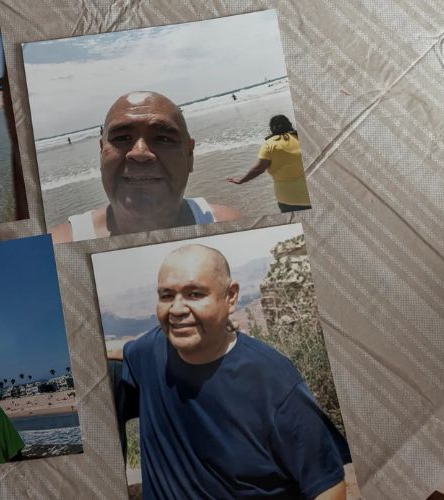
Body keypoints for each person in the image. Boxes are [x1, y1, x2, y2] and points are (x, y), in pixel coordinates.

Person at [116, 244, 350, 499]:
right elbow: (118, 350)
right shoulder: (151, 351)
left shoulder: (273, 382)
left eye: (195, 294)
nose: (177, 309)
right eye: (166, 296)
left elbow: (330, 487)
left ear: (230, 297)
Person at [51, 92, 241, 243]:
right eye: (122, 138)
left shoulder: (230, 227)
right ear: (101, 152)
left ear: (189, 154)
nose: (140, 153)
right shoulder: (62, 245)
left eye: (163, 138)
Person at [227, 115, 312, 213]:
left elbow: (258, 169)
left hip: (288, 198)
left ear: (271, 129)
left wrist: (241, 180)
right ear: (290, 124)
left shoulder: (269, 144)